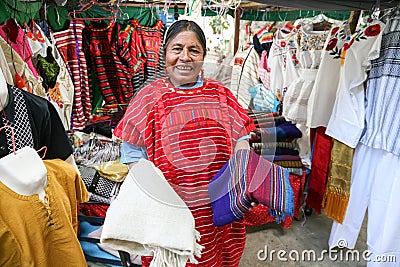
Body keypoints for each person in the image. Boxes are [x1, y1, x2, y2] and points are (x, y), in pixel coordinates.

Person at [113, 19, 255, 266]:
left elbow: (242, 136)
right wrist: (160, 194)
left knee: (215, 257)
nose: (185, 57)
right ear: (165, 53)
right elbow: (132, 154)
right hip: (169, 207)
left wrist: (240, 167)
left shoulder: (220, 94)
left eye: (194, 50)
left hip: (217, 207)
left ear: (203, 56)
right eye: (177, 49)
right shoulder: (149, 97)